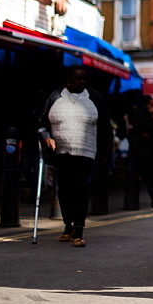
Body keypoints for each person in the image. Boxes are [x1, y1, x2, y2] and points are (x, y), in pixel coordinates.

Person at [38, 65, 112, 247]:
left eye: (84, 78)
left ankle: (78, 229)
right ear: (69, 79)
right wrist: (47, 138)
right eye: (79, 78)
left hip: (86, 152)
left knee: (80, 189)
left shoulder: (93, 97)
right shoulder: (56, 96)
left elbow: (105, 128)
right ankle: (68, 225)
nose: (82, 81)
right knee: (64, 190)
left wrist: (105, 153)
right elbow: (41, 123)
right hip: (61, 152)